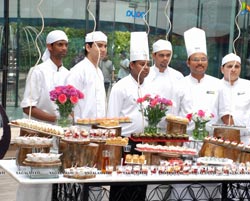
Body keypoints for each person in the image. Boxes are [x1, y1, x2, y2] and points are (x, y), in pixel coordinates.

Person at [18, 30, 69, 201]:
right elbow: (28, 107)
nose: (64, 48)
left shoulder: (67, 73)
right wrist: (55, 119)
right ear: (49, 46)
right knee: (35, 181)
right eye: (59, 44)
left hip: (59, 136)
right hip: (38, 137)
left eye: (65, 45)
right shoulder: (38, 71)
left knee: (55, 181)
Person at [108, 31, 150, 201]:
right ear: (131, 65)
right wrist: (115, 148)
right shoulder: (121, 87)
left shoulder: (150, 86)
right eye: (142, 64)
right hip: (125, 143)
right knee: (122, 186)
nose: (146, 68)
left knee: (140, 186)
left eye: (148, 64)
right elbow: (112, 120)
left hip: (145, 143)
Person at [179, 27, 221, 133]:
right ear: (188, 63)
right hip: (186, 139)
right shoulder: (179, 84)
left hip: (211, 139)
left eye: (203, 59)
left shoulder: (218, 84)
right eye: (196, 60)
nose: (200, 63)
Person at [218, 53, 250, 144]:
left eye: (237, 67)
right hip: (221, 139)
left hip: (247, 139)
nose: (233, 70)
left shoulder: (249, 86)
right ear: (222, 69)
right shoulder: (215, 87)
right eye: (229, 66)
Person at [66, 31, 107, 120]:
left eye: (105, 46)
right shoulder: (78, 70)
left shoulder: (99, 72)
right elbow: (69, 105)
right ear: (88, 47)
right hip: (82, 128)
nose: (103, 49)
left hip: (99, 128)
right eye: (99, 45)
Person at [144, 39, 184, 131]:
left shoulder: (178, 76)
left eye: (168, 55)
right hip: (149, 127)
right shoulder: (146, 75)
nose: (165, 58)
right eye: (161, 55)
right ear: (154, 55)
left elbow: (182, 102)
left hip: (171, 128)